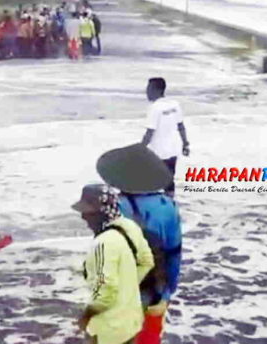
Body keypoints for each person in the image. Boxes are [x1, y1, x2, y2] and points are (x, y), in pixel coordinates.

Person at [73, 184, 154, 344]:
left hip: (109, 331)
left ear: (101, 212)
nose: (83, 216)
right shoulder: (128, 226)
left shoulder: (103, 243)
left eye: (87, 211)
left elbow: (104, 294)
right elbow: (147, 261)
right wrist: (126, 287)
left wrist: (86, 316)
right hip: (131, 323)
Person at [118, 192, 182, 344]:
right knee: (150, 337)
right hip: (156, 290)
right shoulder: (167, 206)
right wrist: (168, 290)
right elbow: (174, 253)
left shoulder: (112, 205)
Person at [141, 78, 190, 197]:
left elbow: (149, 133)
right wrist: (185, 143)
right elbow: (181, 126)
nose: (146, 92)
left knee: (150, 181)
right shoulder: (174, 104)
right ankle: (171, 203)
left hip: (159, 153)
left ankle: (154, 206)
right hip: (173, 150)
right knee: (169, 180)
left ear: (156, 90)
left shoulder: (154, 108)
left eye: (149, 89)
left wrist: (139, 149)